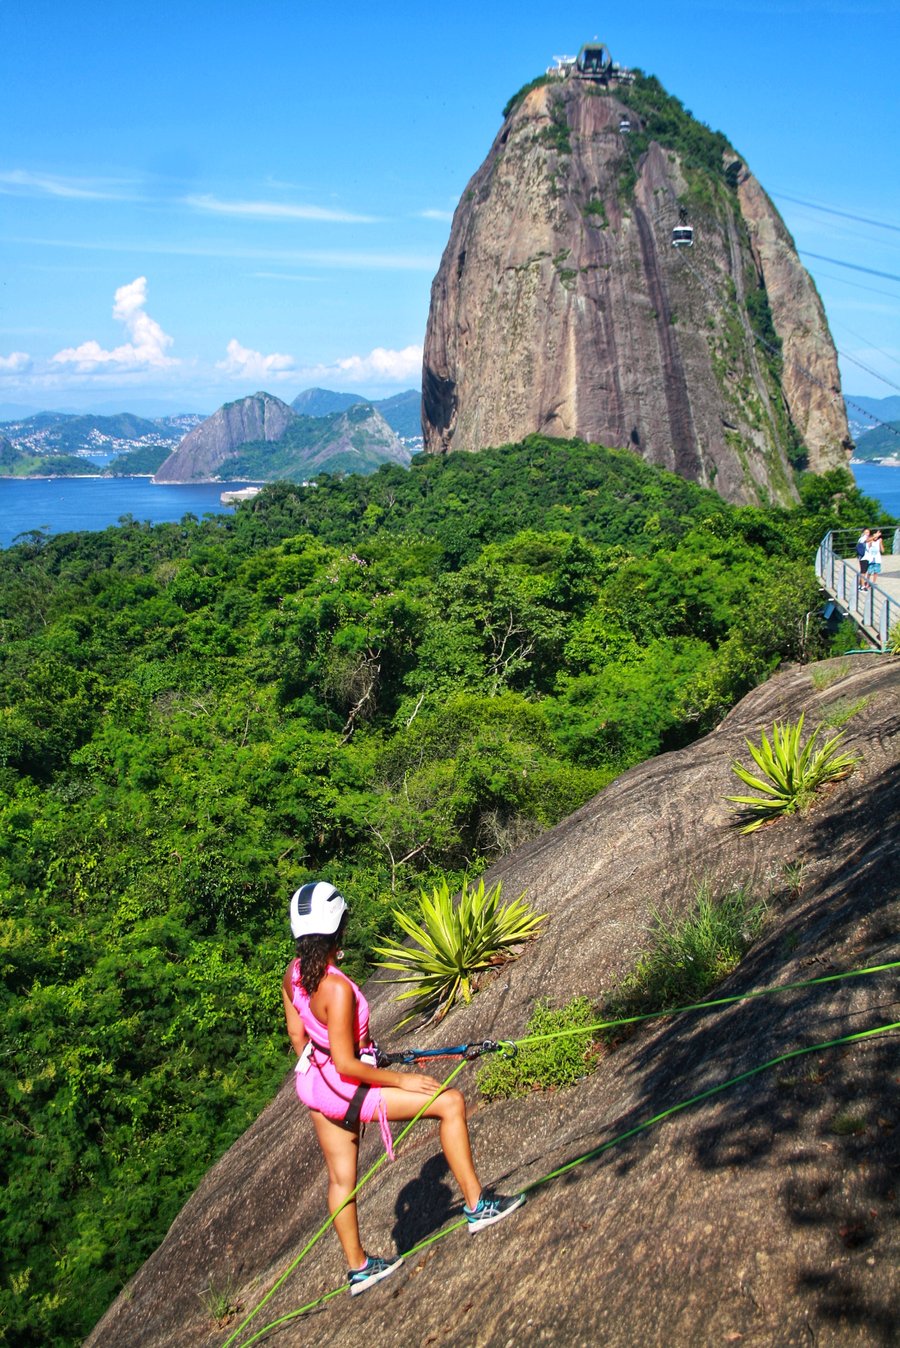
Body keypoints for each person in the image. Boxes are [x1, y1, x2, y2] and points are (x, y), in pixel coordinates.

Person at [282, 880, 525, 1295]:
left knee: (341, 1180)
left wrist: (329, 1065)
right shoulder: (337, 989)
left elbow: (298, 1035)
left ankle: (359, 1268)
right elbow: (347, 1063)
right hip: (347, 1084)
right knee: (449, 1103)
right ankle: (478, 1207)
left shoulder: (293, 974)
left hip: (317, 1086)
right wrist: (401, 1078)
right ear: (337, 927)